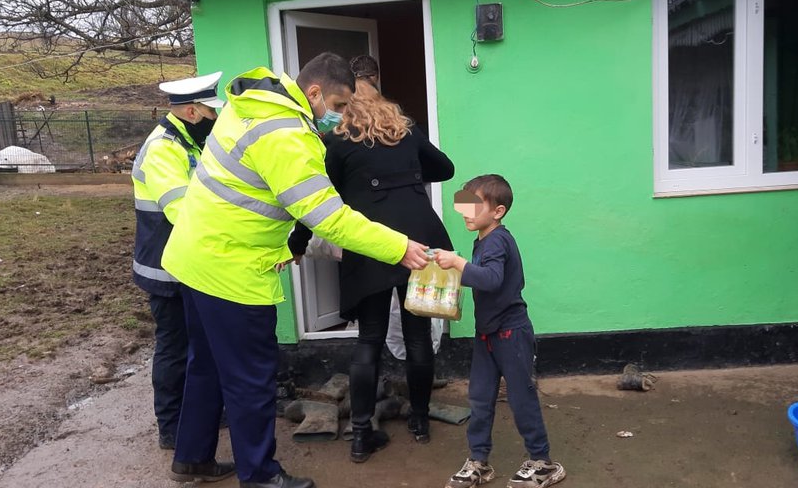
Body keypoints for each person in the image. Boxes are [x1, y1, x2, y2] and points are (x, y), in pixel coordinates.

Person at [159, 53, 430, 488]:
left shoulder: (248, 106)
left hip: (195, 257)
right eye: (339, 106)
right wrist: (399, 248)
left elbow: (247, 192)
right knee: (251, 381)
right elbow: (329, 218)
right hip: (232, 271)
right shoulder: (287, 134)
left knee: (205, 366)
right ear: (315, 92)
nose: (340, 117)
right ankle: (261, 476)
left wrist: (282, 243)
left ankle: (192, 458)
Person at [287, 78, 454, 462]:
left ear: (344, 107)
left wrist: (296, 245)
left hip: (369, 244)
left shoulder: (336, 143)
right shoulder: (405, 131)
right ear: (383, 103)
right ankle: (420, 423)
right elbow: (444, 168)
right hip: (421, 238)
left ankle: (361, 435)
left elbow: (316, 202)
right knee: (417, 336)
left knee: (370, 339)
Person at [434, 175, 566, 488]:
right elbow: (482, 278)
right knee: (479, 400)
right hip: (487, 334)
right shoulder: (482, 239)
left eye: (474, 204)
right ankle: (479, 463)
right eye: (463, 202)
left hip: (511, 333)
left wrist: (457, 263)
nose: (465, 210)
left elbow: (492, 279)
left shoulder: (498, 241)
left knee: (522, 398)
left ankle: (543, 463)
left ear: (498, 211)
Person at [130, 71, 223, 450]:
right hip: (166, 270)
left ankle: (204, 414)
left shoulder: (188, 143)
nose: (216, 119)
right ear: (191, 112)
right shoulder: (164, 149)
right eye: (210, 112)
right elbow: (181, 211)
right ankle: (171, 427)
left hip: (189, 266)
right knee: (173, 348)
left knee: (198, 344)